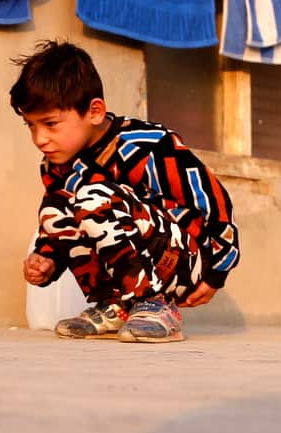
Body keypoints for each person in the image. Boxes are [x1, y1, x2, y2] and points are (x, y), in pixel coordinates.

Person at [15, 41, 240, 343]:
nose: (39, 138)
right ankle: (115, 306)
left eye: (50, 124)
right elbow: (63, 224)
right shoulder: (56, 165)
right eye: (30, 125)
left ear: (94, 111)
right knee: (55, 207)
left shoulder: (148, 144)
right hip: (129, 265)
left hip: (184, 261)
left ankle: (156, 305)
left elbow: (214, 202)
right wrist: (46, 259)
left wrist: (216, 273)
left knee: (93, 197)